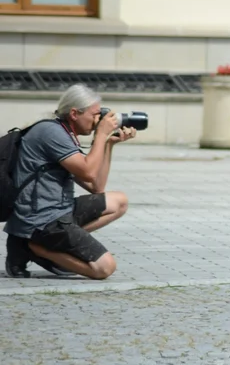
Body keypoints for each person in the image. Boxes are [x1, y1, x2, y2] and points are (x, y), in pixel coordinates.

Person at [3, 84, 134, 280]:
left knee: (119, 201)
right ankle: (33, 247)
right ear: (74, 113)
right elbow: (89, 173)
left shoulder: (64, 134)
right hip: (41, 220)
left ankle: (44, 245)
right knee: (104, 268)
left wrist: (108, 144)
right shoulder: (51, 133)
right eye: (95, 115)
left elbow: (95, 186)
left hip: (59, 211)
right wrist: (100, 135)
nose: (98, 120)